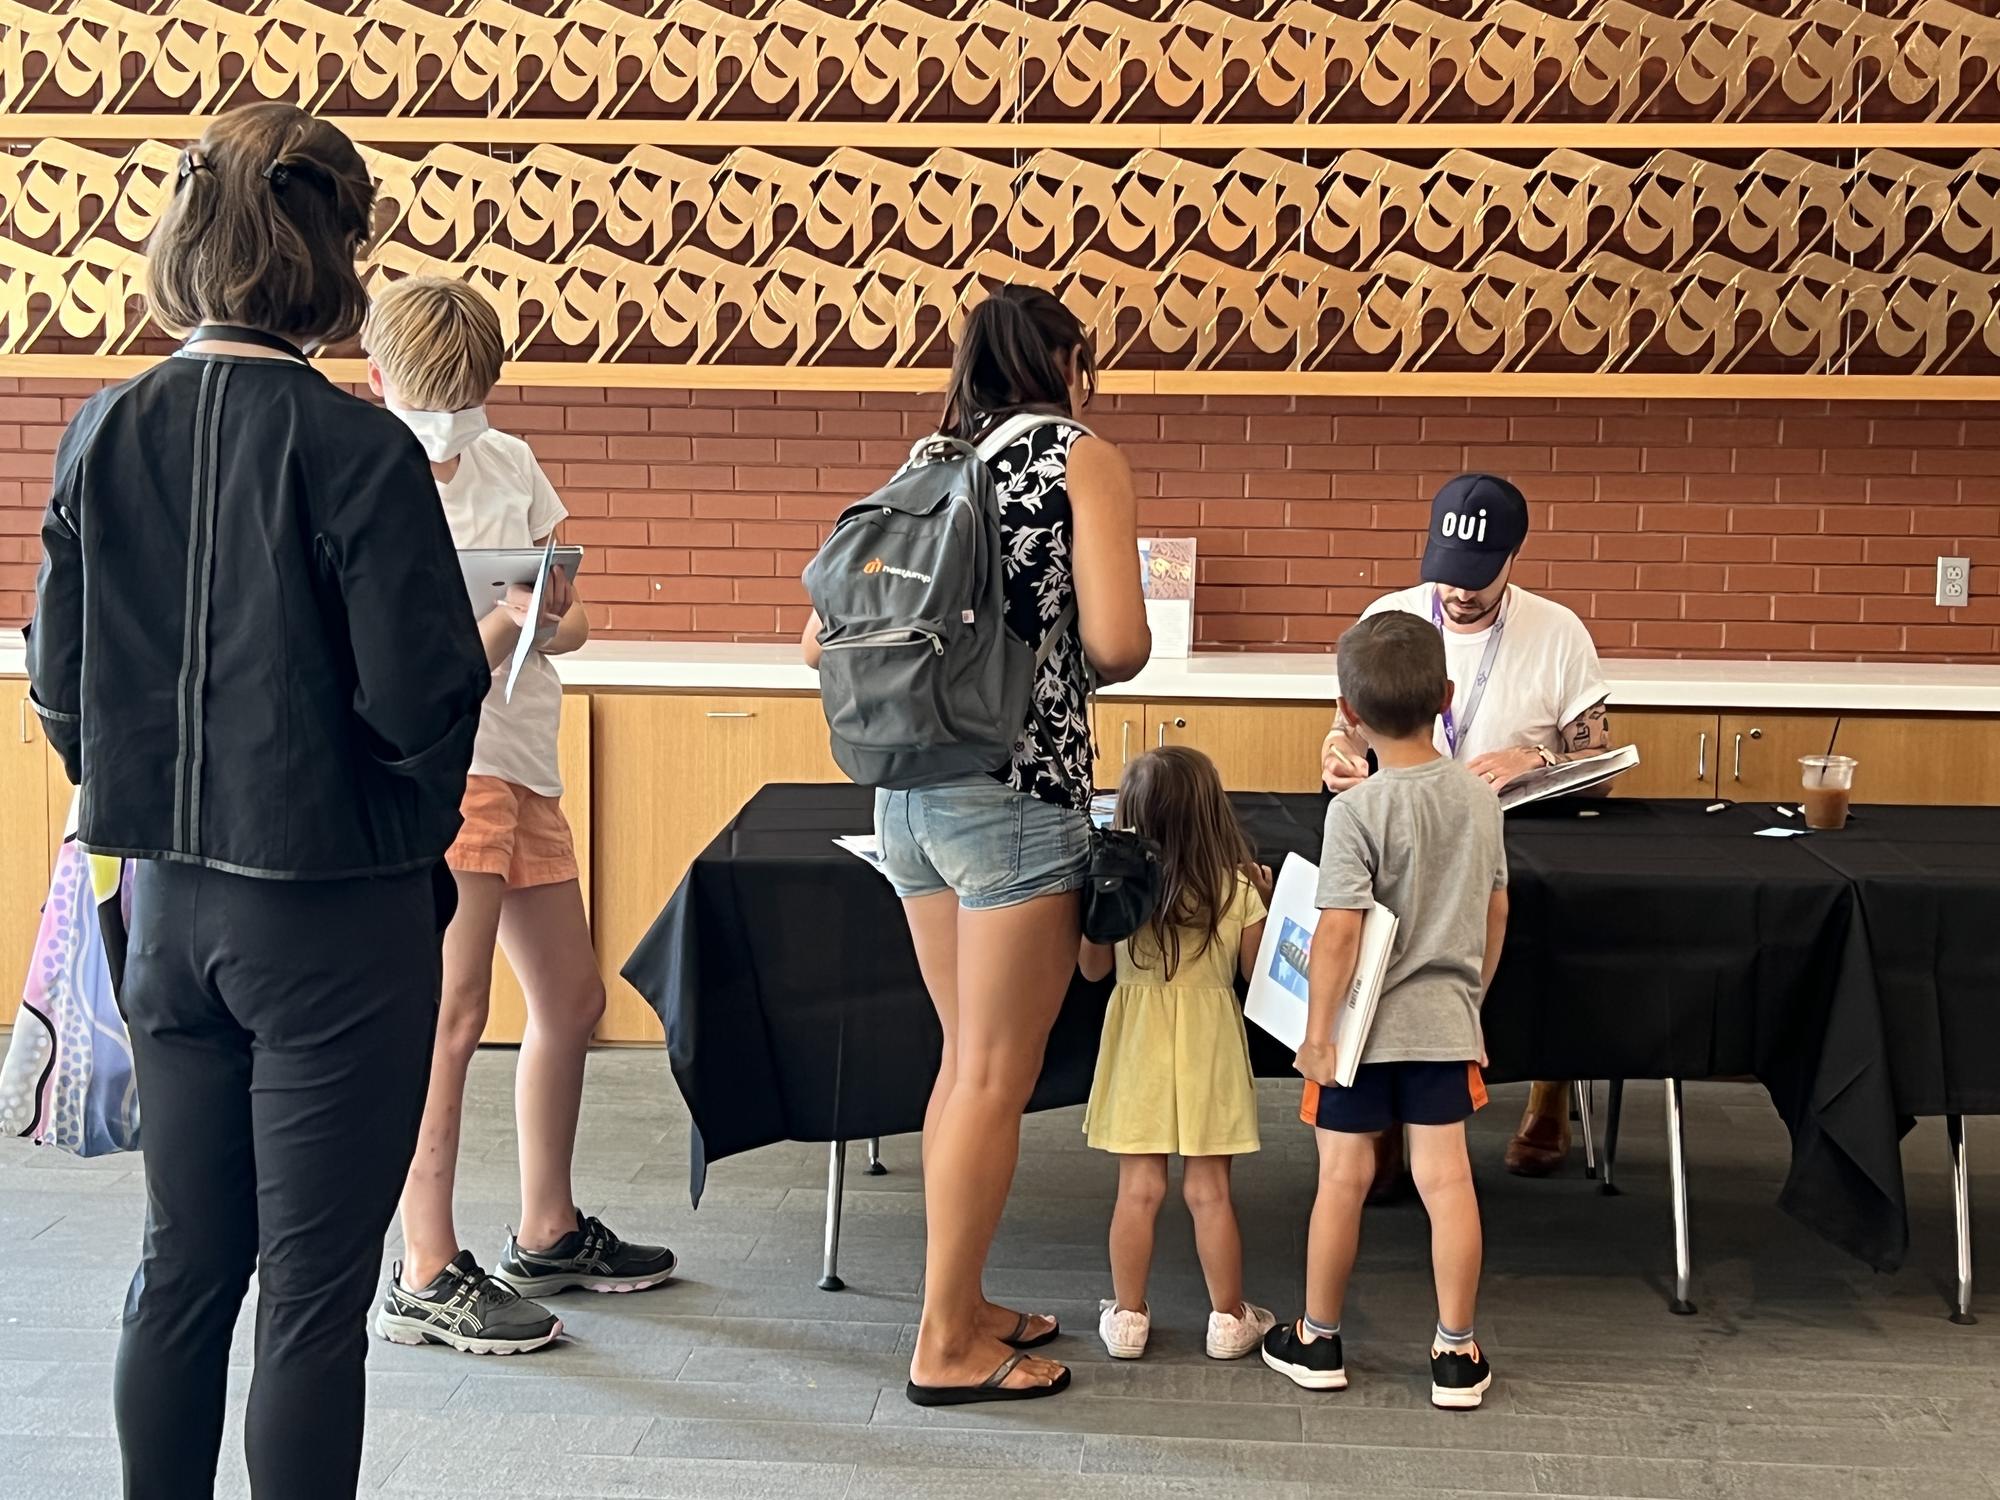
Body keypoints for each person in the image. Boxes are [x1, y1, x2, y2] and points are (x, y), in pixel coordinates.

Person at [23, 103, 517, 1499]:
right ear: (338, 251)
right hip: (331, 924)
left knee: (182, 1264)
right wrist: (402, 824)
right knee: (310, 1298)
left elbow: (58, 691)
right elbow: (419, 705)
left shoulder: (100, 429)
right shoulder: (359, 453)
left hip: (164, 915)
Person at [801, 285, 1151, 1405]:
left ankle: (964, 1307)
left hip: (905, 795)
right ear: (1065, 361)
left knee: (966, 1068)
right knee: (992, 1076)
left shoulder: (927, 463)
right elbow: (1120, 641)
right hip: (1011, 793)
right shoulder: (1073, 453)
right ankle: (945, 1345)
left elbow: (818, 634)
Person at [360, 276, 675, 1355]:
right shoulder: (366, 477)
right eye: (434, 398)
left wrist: (545, 618)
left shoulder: (511, 463)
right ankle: (424, 1265)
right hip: (451, 775)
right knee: (449, 1018)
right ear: (380, 379)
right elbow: (404, 674)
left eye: (468, 398)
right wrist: (498, 630)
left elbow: (572, 610)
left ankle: (546, 1229)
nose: (451, 424)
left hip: (525, 761)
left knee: (573, 996)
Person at [1321, 473, 1609, 1179]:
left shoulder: (1558, 631)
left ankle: (1550, 1087)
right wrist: (1338, 754)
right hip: (1408, 829)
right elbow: (1345, 727)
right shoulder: (1390, 615)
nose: (1459, 592)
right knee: (1385, 937)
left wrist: (1534, 755)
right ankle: (1385, 1109)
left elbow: (1600, 759)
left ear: (1516, 556)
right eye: (1449, 574)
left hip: (1515, 832)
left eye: (1478, 579)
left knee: (1548, 930)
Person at [1265, 611, 1510, 1411]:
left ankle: (1318, 1338)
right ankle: (1457, 1353)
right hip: (1445, 1021)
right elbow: (1496, 911)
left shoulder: (1356, 811)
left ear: (1347, 710)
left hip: (1359, 1034)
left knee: (1343, 1177)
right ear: (1445, 696)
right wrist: (1470, 996)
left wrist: (1315, 1035)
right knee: (1448, 1183)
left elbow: (1337, 934)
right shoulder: (1481, 801)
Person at [1079, 746, 1277, 1362]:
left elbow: (1089, 971)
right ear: (1211, 811)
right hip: (1210, 1042)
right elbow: (1254, 974)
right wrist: (1265, 902)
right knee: (1209, 1191)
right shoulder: (1239, 882)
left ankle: (1129, 1319)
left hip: (1137, 1039)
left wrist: (1096, 905)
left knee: (1137, 1189)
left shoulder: (1115, 888)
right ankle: (1228, 1318)